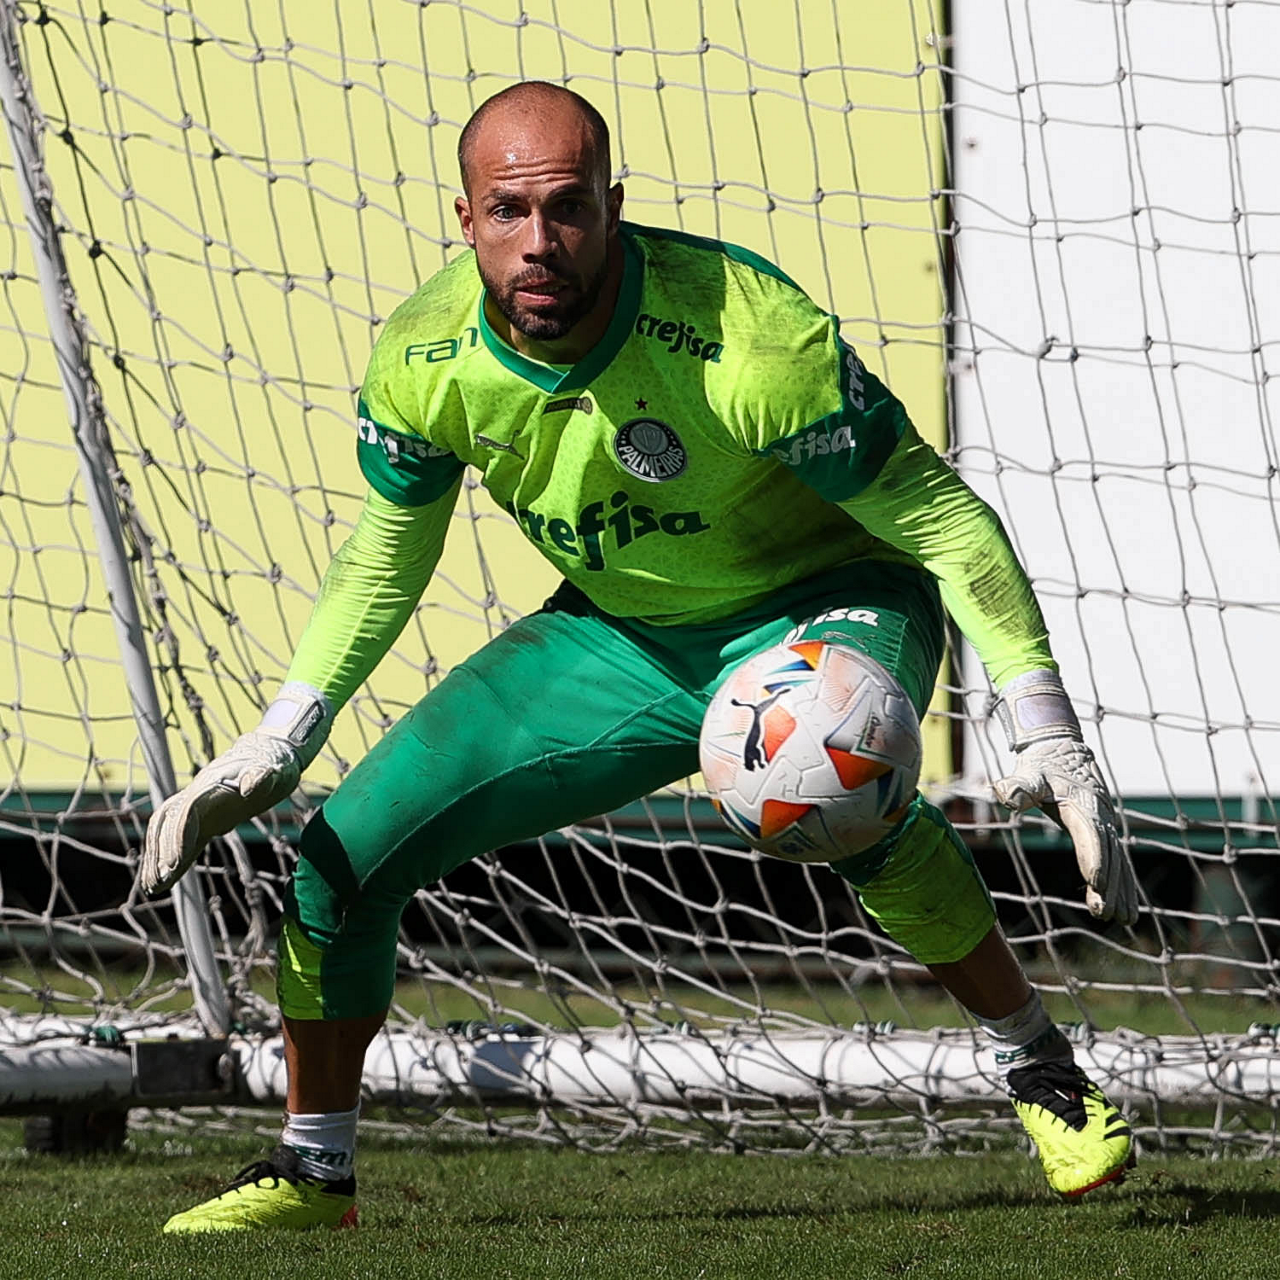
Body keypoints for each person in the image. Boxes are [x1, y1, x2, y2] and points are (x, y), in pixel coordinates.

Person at [143, 82, 1139, 1233]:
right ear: (464, 219)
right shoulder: (424, 355)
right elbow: (385, 555)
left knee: (823, 768)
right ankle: (314, 1168)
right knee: (340, 858)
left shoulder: (746, 338)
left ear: (611, 208)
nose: (539, 241)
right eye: (507, 211)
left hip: (826, 599)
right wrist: (282, 733)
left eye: (567, 208)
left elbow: (942, 523)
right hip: (621, 633)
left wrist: (1044, 724)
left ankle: (1037, 1064)